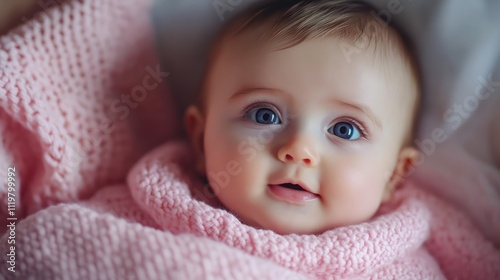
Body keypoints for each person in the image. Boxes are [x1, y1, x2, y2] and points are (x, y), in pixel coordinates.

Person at [184, 0, 420, 235]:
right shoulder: (169, 223)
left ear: (394, 175)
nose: (299, 149)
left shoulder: (401, 261)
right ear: (201, 140)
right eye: (264, 115)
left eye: (344, 129)